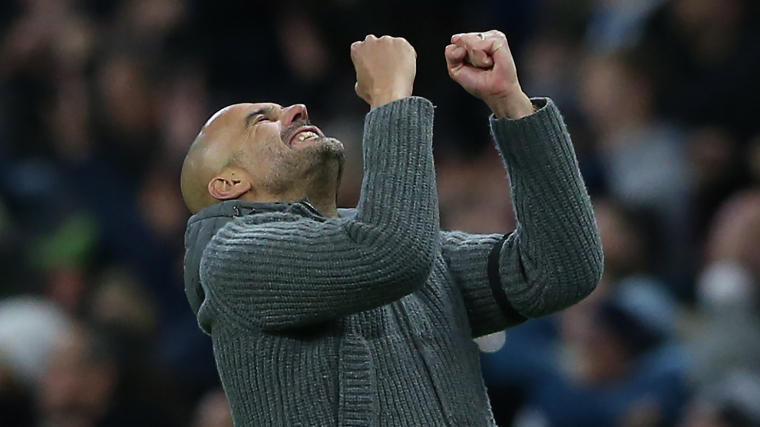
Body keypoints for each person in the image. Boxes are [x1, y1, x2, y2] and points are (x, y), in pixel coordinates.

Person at [181, 31, 603, 426]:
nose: (297, 110)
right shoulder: (232, 259)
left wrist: (512, 105)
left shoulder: (391, 239)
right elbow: (391, 252)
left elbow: (559, 271)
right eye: (262, 121)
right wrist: (389, 97)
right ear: (229, 184)